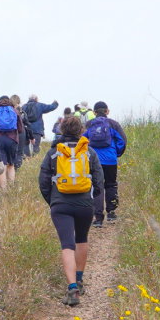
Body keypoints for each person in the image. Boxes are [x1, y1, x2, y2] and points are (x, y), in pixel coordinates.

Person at [39, 116, 104, 306]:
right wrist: (91, 197)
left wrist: (53, 201)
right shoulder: (89, 152)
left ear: (61, 129)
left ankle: (72, 288)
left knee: (67, 244)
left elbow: (43, 181)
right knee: (81, 238)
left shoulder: (53, 152)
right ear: (80, 130)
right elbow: (99, 181)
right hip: (85, 204)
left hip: (61, 204)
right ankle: (80, 278)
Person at [83, 101, 127, 227]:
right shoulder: (113, 124)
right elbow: (122, 141)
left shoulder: (89, 124)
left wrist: (87, 155)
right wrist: (116, 153)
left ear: (94, 112)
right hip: (110, 160)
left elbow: (82, 140)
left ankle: (98, 218)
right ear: (107, 111)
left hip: (93, 160)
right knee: (111, 184)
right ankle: (111, 213)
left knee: (97, 187)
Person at [0, 95, 24, 188]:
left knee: (2, 164)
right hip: (12, 140)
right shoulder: (15, 111)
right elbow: (20, 129)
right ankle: (11, 187)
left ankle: (3, 189)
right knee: (11, 164)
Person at [10, 94, 31, 165]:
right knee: (19, 152)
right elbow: (28, 125)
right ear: (18, 102)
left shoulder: (7, 111)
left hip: (9, 133)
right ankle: (16, 167)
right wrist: (31, 137)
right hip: (21, 133)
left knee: (11, 152)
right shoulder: (21, 112)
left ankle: (10, 165)